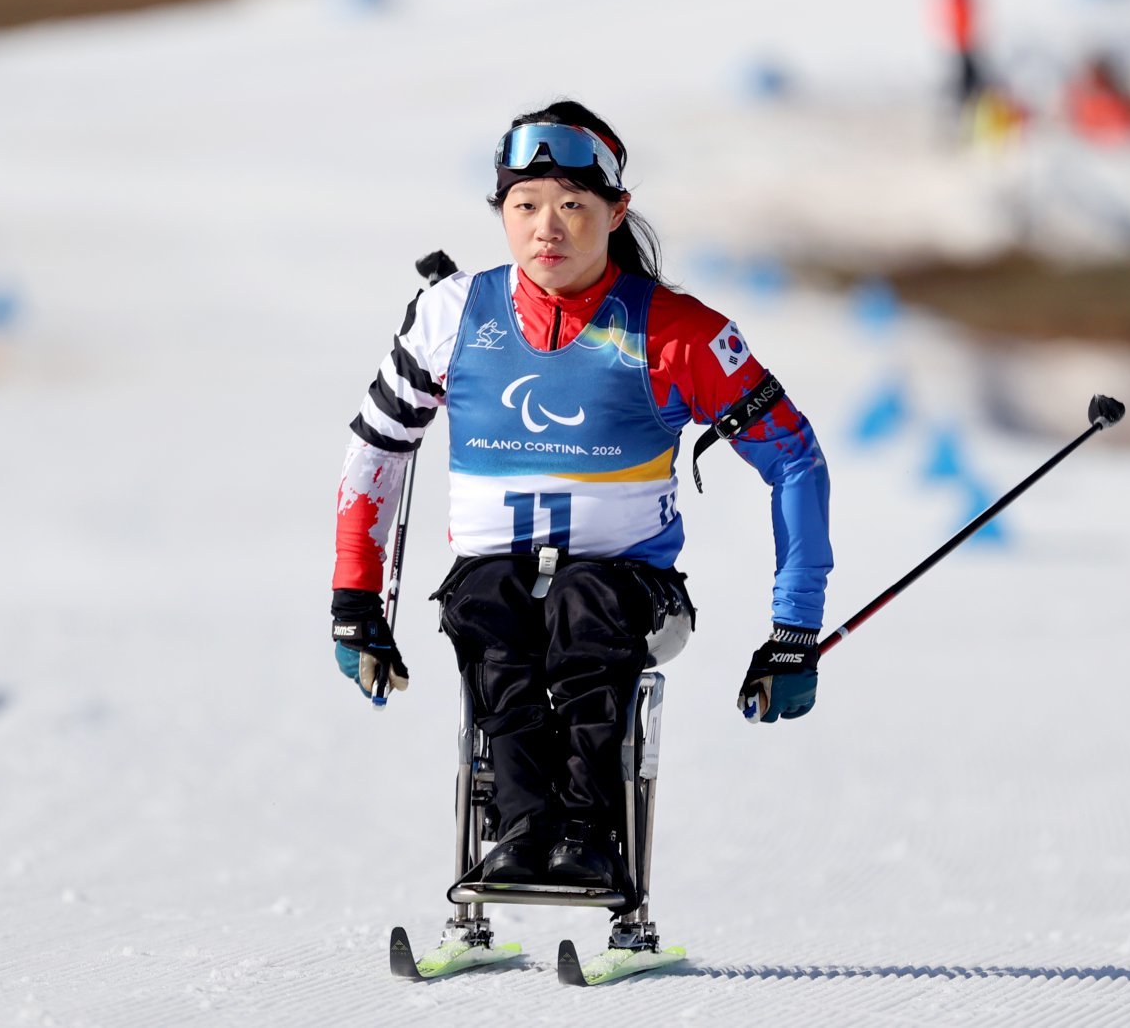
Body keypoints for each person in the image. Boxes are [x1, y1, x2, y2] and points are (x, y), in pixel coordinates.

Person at [330, 101, 832, 891]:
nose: (547, 229)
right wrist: (355, 603)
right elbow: (378, 450)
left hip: (631, 592)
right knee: (489, 601)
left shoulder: (677, 332)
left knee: (581, 602)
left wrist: (794, 630)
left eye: (572, 205)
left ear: (615, 212)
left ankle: (588, 834)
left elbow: (795, 458)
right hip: (493, 581)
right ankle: (522, 832)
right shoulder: (451, 315)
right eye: (525, 206)